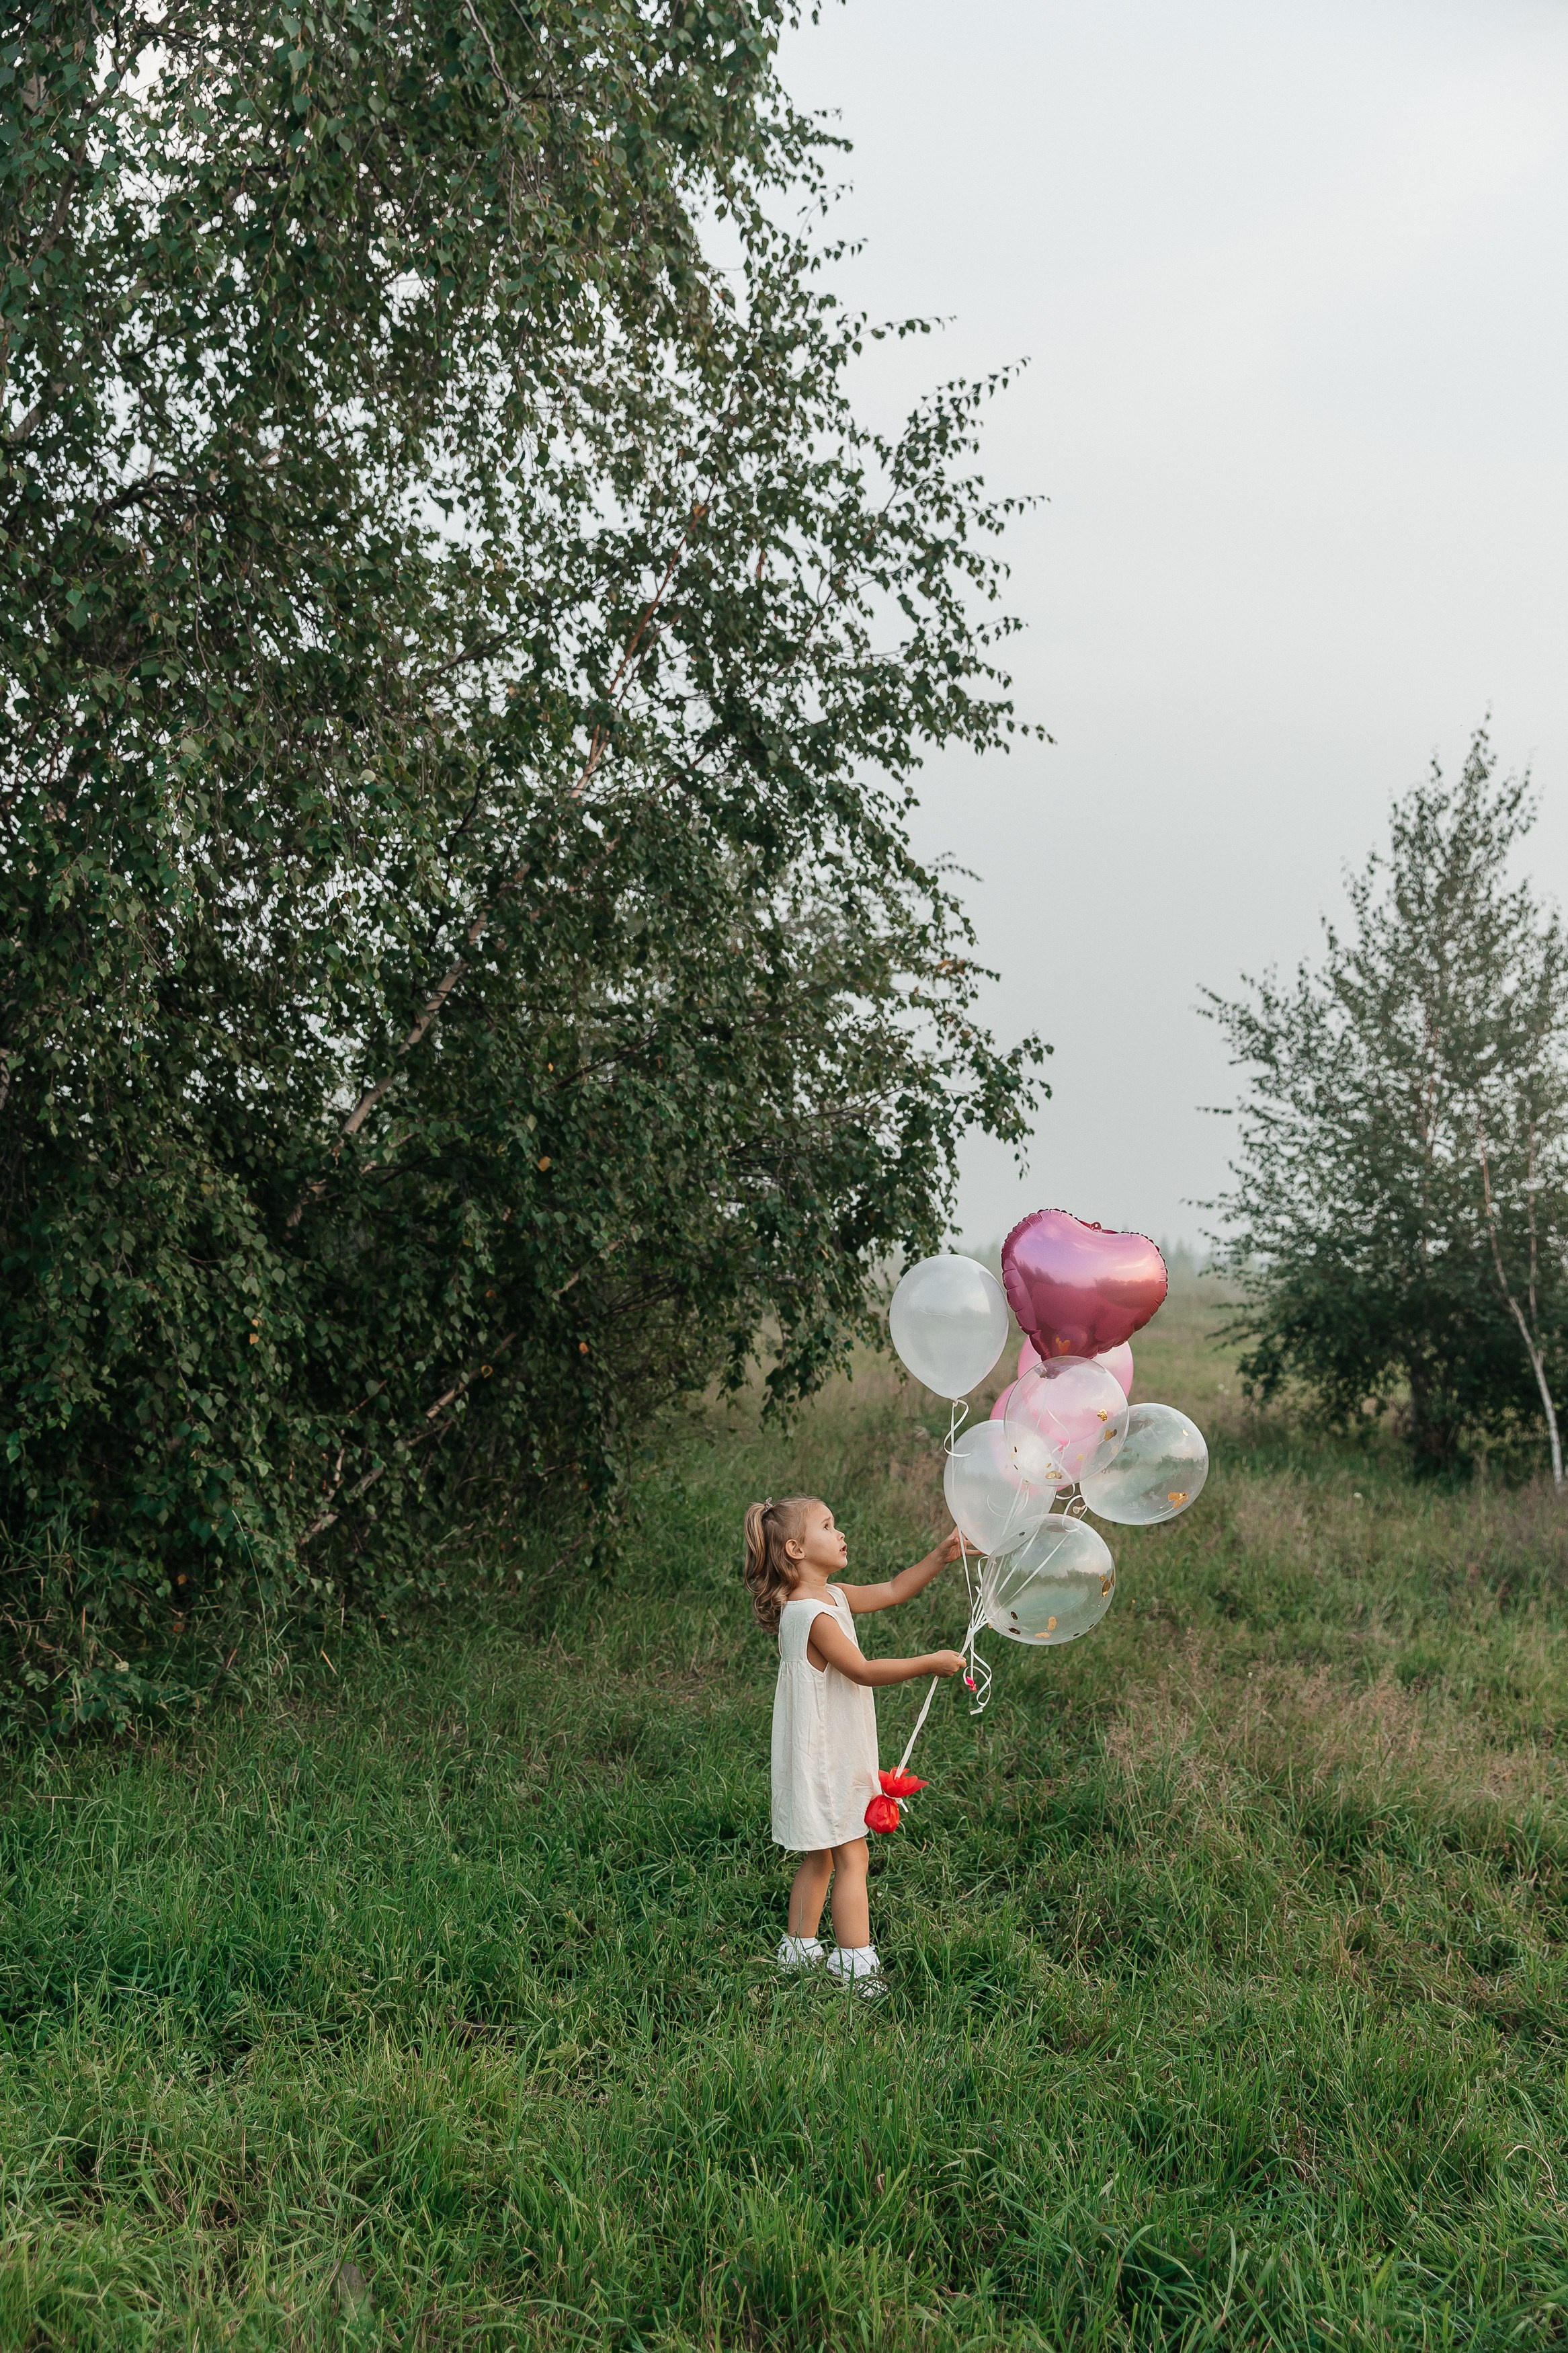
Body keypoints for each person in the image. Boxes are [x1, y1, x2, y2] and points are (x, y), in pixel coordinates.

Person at [743, 1494, 968, 2001]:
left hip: (827, 1750)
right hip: (826, 1760)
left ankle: (797, 1949)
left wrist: (939, 1557)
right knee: (852, 1856)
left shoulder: (832, 1597)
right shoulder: (810, 1615)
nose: (840, 1533)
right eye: (828, 1526)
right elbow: (862, 1671)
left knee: (821, 1857)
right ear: (797, 1549)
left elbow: (891, 1590)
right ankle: (855, 1966)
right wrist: (926, 1662)